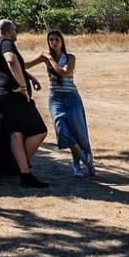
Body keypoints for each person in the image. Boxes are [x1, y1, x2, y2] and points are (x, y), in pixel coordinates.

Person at [0, 18, 48, 189]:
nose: (16, 32)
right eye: (15, 29)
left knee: (16, 134)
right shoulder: (6, 43)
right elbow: (11, 61)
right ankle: (19, 165)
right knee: (39, 130)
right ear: (7, 30)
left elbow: (13, 66)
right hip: (14, 96)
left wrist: (29, 77)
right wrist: (22, 87)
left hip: (0, 95)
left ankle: (25, 175)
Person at [32, 29, 92, 177]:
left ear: (62, 41)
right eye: (50, 40)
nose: (53, 42)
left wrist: (50, 59)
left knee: (79, 132)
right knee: (62, 131)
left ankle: (78, 166)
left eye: (56, 39)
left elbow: (64, 72)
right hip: (56, 99)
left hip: (72, 98)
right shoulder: (44, 57)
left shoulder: (70, 58)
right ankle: (85, 158)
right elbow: (25, 65)